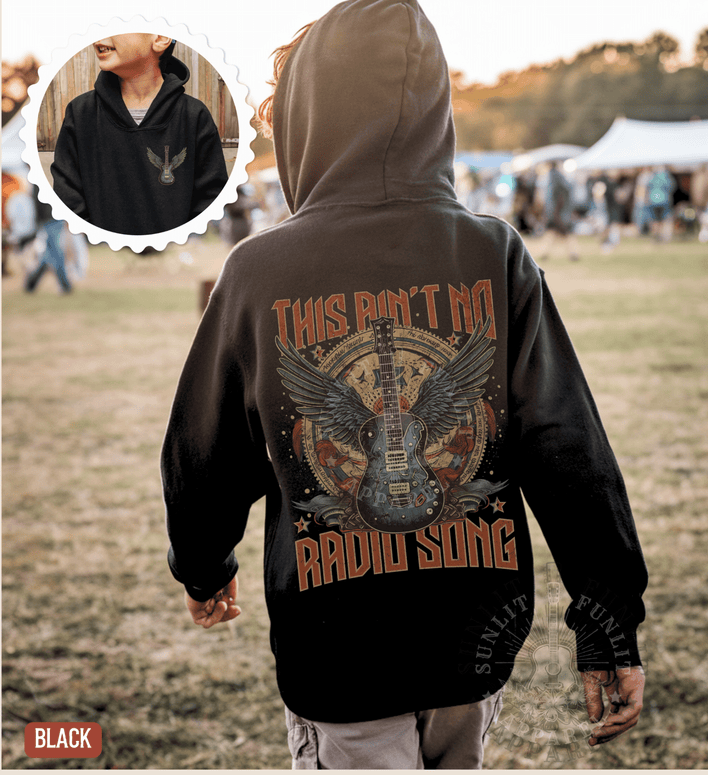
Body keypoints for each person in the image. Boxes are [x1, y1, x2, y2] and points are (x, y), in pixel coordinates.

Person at [162, 1, 647, 768]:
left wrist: (203, 563)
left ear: (307, 117)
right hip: (473, 638)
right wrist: (608, 613)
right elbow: (568, 447)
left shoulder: (257, 272)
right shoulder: (494, 252)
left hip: (338, 650)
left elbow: (201, 452)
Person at [50, 34, 228, 235]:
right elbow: (67, 194)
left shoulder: (193, 115)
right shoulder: (81, 113)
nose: (99, 38)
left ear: (160, 39)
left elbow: (211, 195)